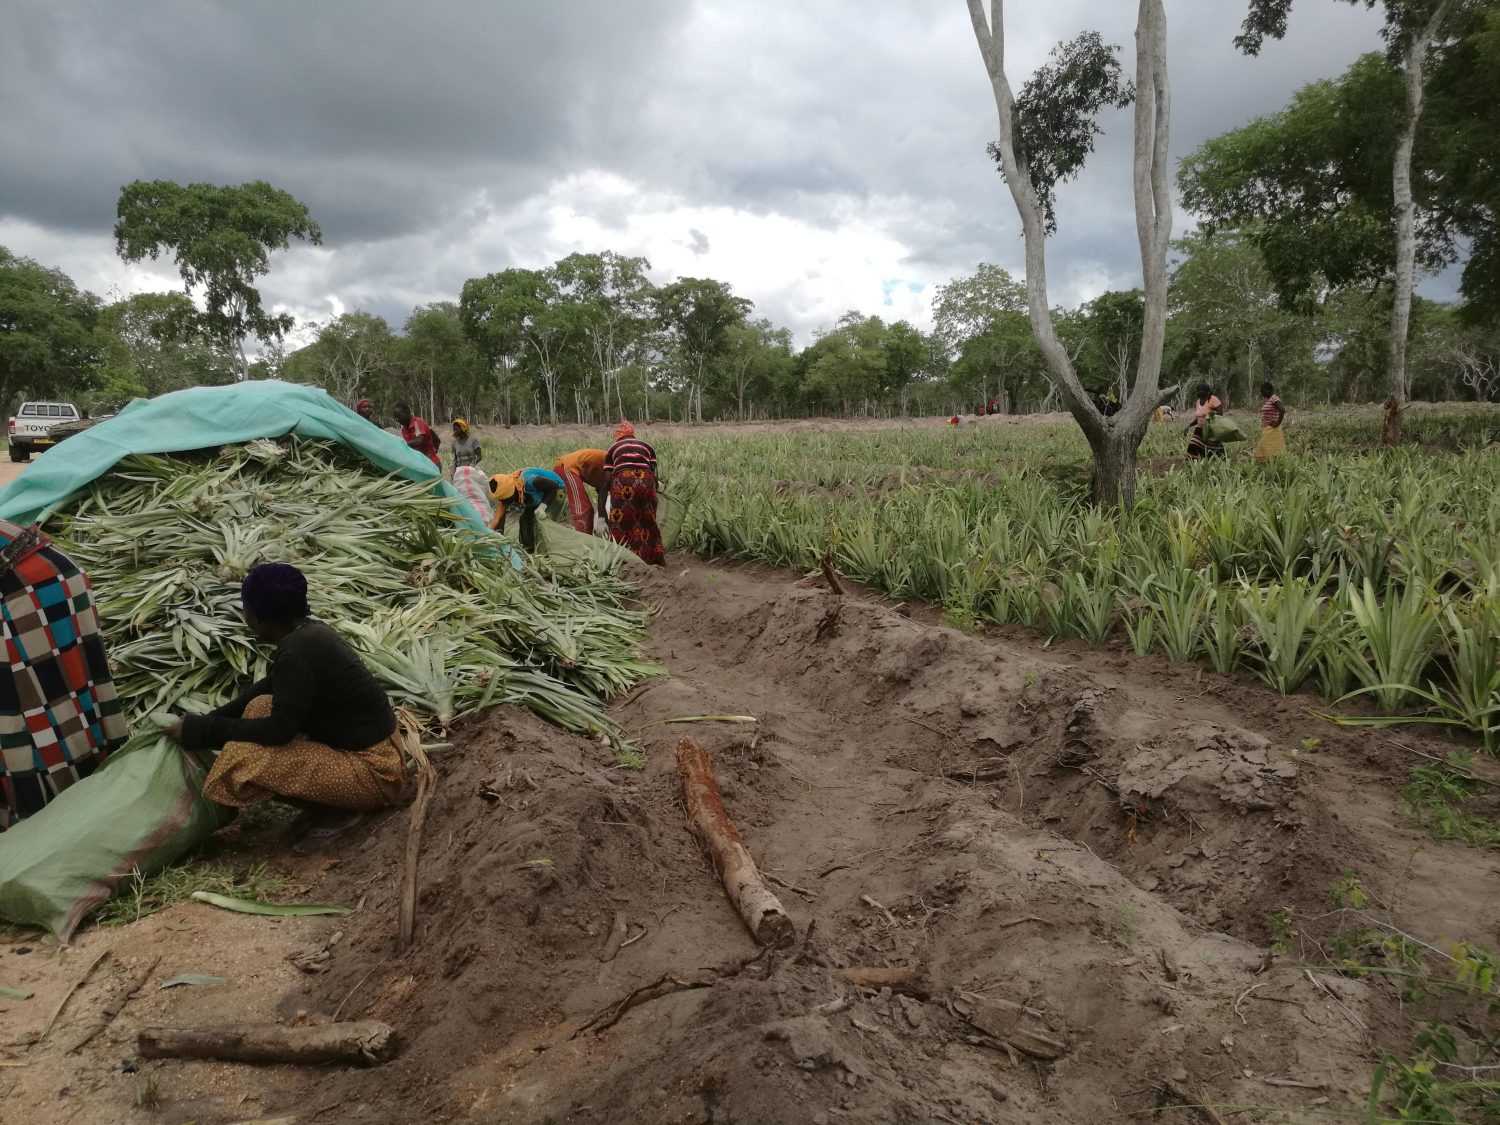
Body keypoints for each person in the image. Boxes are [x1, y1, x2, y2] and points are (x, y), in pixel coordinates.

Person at [165, 563, 403, 840]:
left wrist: (203, 731)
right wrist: (207, 722)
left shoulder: (297, 652)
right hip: (380, 755)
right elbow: (270, 687)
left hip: (376, 774)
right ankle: (335, 804)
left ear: (258, 618)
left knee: (242, 761)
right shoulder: (309, 633)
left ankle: (341, 811)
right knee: (258, 707)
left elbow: (279, 731)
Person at [0, 521, 129, 830]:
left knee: (36, 705)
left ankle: (53, 816)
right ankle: (88, 791)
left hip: (30, 586)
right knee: (66, 698)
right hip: (47, 574)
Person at [601, 422, 664, 566]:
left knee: (622, 521)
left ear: (618, 436)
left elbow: (607, 479)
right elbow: (653, 473)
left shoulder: (613, 448)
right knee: (647, 519)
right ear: (633, 434)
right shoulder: (647, 446)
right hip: (647, 480)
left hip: (624, 480)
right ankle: (655, 557)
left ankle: (621, 559)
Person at [488, 468, 565, 550]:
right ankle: (530, 550)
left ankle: (551, 549)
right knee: (525, 521)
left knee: (541, 520)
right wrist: (498, 541)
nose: (505, 503)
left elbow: (553, 486)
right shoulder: (506, 494)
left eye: (507, 500)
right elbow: (499, 522)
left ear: (513, 492)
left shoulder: (531, 481)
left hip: (555, 491)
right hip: (536, 496)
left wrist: (543, 506)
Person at [552, 447, 608, 535]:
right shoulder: (613, 466)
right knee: (582, 510)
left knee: (588, 511)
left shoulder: (608, 470)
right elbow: (603, 491)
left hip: (573, 469)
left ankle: (588, 540)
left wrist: (604, 521)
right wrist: (601, 519)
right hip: (567, 468)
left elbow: (602, 498)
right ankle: (583, 543)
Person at [395, 402, 440, 467]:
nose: (397, 419)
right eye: (396, 417)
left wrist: (402, 444)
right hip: (420, 464)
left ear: (407, 411)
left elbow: (419, 441)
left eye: (399, 416)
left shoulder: (418, 422)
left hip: (432, 464)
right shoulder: (404, 430)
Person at [1187, 385, 1225, 460]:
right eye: (1197, 391)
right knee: (1193, 445)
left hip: (1211, 429)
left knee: (1214, 448)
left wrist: (1213, 412)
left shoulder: (1213, 399)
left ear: (1206, 392)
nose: (1197, 392)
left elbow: (1220, 412)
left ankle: (1220, 462)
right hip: (1200, 428)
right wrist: (1188, 426)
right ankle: (1192, 464)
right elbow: (1198, 417)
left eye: (1200, 390)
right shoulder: (1198, 402)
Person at [1253, 381, 1287, 461]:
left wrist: (1277, 423)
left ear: (1268, 389)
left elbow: (1282, 410)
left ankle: (1271, 465)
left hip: (1272, 429)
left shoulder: (1274, 399)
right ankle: (1269, 465)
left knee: (1264, 447)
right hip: (1267, 428)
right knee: (1267, 448)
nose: (1262, 393)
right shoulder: (1269, 400)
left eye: (1263, 391)